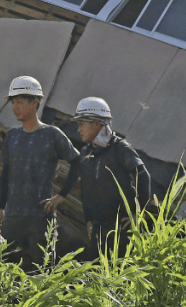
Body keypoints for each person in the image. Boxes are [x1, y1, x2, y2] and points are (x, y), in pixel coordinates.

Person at [0, 76, 80, 271]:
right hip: (13, 217)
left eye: (20, 102)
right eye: (13, 103)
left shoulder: (52, 134)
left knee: (39, 273)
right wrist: (0, 208)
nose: (15, 107)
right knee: (4, 272)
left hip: (41, 218)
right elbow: (6, 174)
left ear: (35, 103)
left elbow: (78, 162)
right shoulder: (12, 137)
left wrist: (61, 196)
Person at [48, 97, 152, 256]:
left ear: (96, 123)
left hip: (122, 227)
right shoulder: (85, 153)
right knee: (97, 273)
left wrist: (139, 213)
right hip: (97, 229)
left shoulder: (120, 148)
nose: (78, 130)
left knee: (119, 273)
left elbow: (142, 175)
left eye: (82, 124)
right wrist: (89, 219)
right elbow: (87, 190)